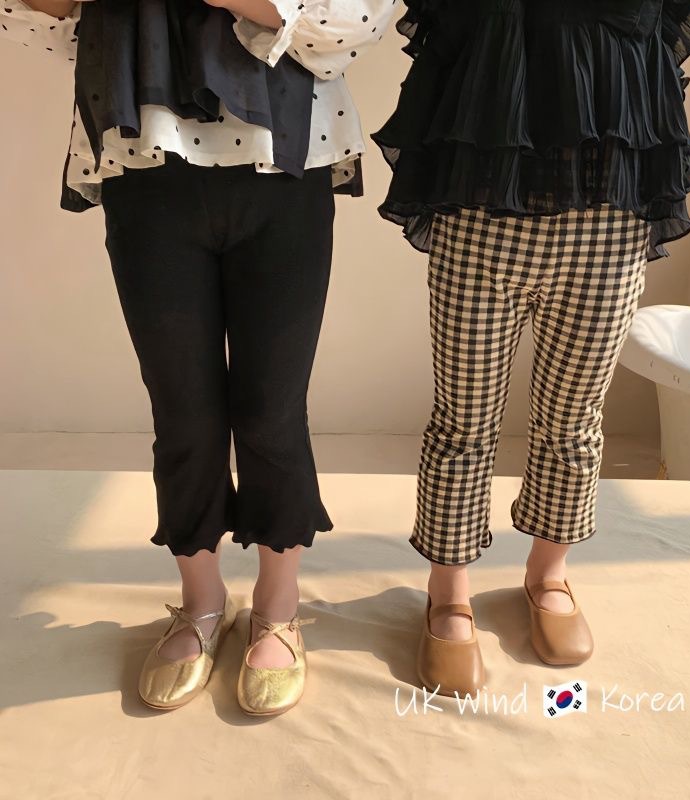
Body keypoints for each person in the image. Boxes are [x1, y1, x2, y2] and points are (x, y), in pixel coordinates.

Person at [1, 0, 395, 716]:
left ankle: (278, 605)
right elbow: (46, 24)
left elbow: (352, 23)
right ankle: (201, 600)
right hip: (146, 164)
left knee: (273, 410)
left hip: (286, 162)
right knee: (184, 412)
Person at [373, 0, 690, 695]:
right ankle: (449, 593)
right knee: (463, 420)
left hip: (609, 220)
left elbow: (662, 51)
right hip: (482, 214)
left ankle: (548, 575)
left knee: (574, 417)